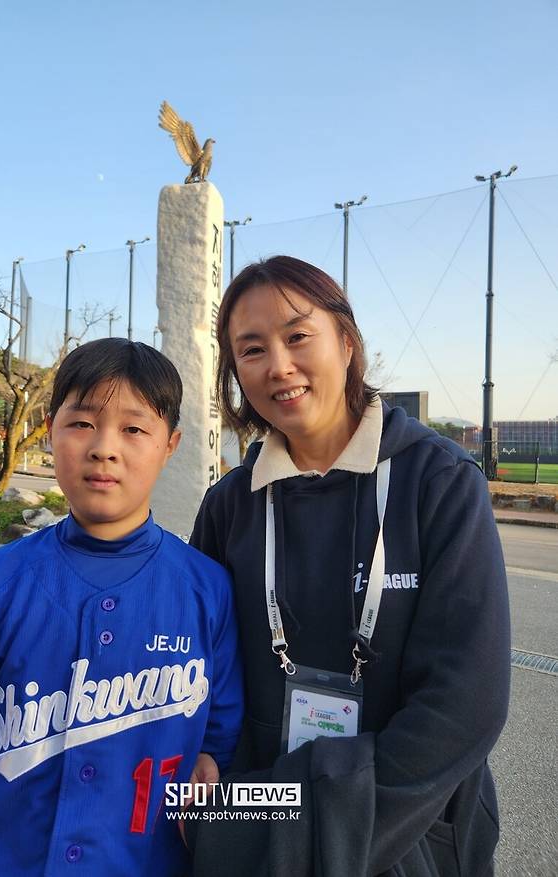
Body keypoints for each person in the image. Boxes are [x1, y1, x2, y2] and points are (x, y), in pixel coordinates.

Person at [188, 256, 510, 876]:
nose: (278, 366)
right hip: (258, 820)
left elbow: (467, 701)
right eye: (251, 351)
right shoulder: (230, 505)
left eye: (297, 335)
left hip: (408, 826)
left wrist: (330, 832)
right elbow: (198, 667)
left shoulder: (437, 483)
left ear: (347, 341)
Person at [0, 338, 243, 876]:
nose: (104, 448)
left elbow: (219, 753)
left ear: (171, 445)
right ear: (50, 428)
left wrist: (216, 770)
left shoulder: (208, 591)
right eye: (82, 423)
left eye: (134, 429)